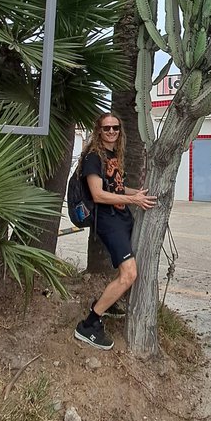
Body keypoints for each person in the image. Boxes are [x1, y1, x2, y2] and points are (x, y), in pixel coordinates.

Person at [73, 112, 157, 350]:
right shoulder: (93, 158)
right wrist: (134, 202)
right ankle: (89, 324)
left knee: (127, 269)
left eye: (115, 128)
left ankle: (106, 303)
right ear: (98, 130)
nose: (111, 132)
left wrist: (136, 194)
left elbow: (116, 186)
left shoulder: (112, 155)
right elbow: (98, 194)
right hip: (108, 221)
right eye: (106, 128)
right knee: (129, 274)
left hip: (120, 217)